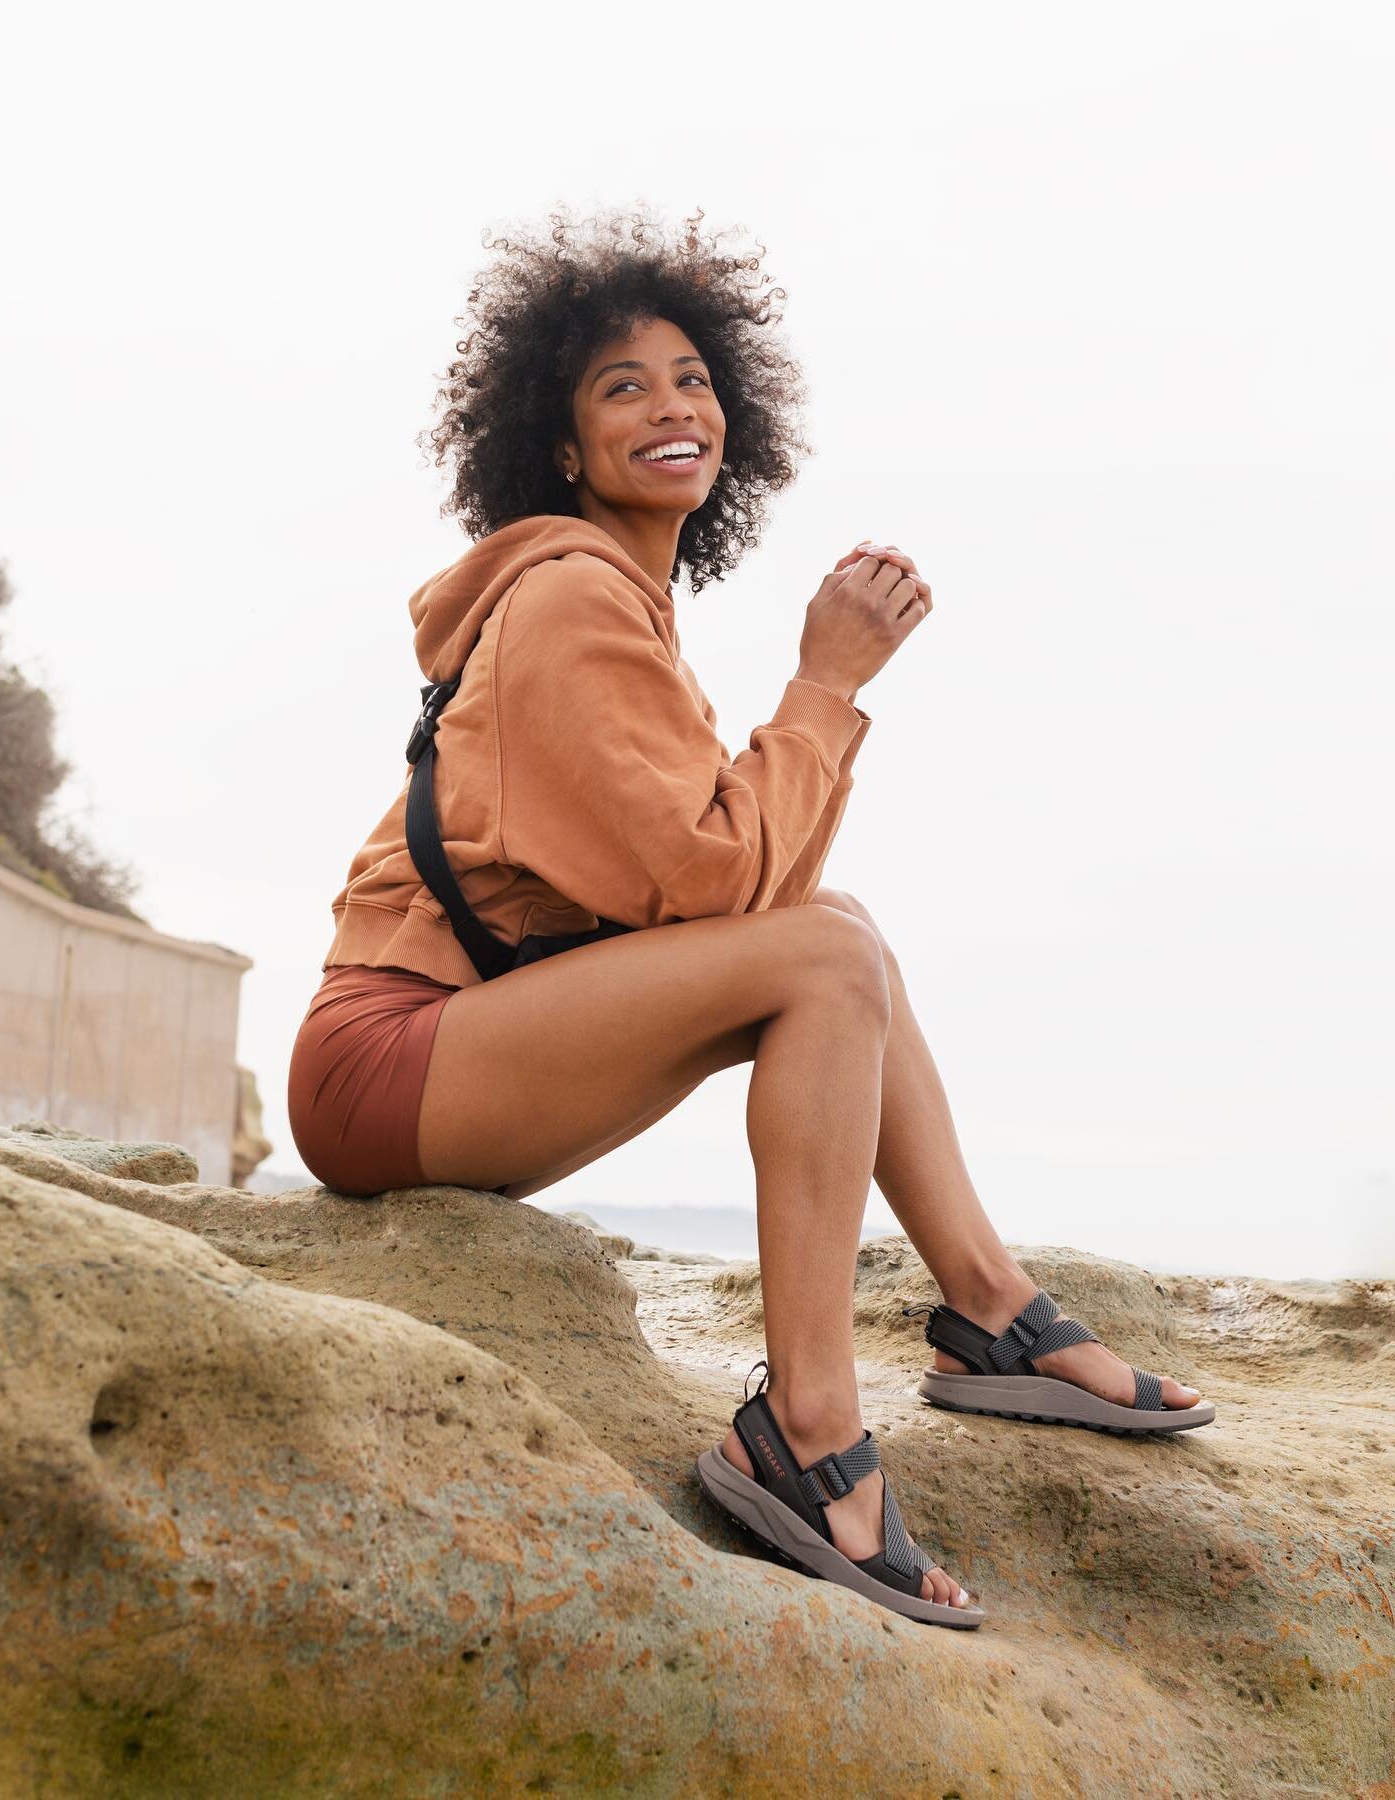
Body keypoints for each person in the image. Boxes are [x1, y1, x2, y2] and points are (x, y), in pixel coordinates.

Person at [287, 207, 1212, 1633]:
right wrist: (826, 683)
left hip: (454, 1049)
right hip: (389, 1062)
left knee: (840, 933)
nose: (675, 405)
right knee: (828, 950)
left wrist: (814, 703)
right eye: (623, 386)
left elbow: (750, 892)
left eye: (695, 379)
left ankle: (989, 1310)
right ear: (559, 441)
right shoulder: (575, 603)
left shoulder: (616, 605)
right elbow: (722, 883)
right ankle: (811, 1431)